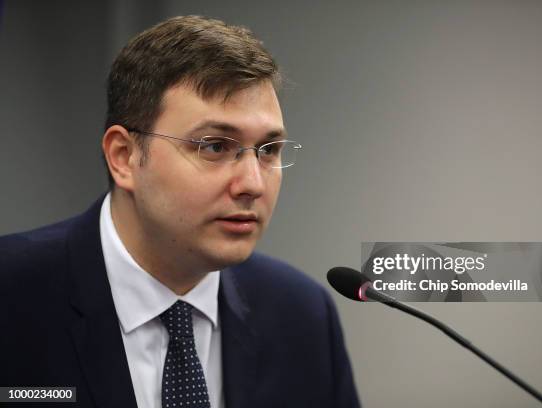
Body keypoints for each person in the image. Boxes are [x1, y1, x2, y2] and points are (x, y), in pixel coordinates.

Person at [0, 15, 359, 408]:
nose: (253, 184)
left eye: (269, 150)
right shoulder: (13, 293)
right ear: (124, 156)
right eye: (215, 146)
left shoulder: (302, 315)